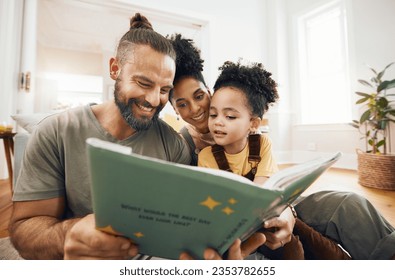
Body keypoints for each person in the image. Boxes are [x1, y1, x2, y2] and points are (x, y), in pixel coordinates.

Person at [9, 13, 265, 260]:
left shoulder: (174, 145)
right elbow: (24, 229)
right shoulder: (55, 132)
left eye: (164, 90)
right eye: (144, 83)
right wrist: (68, 234)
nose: (154, 100)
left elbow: (194, 220)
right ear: (114, 69)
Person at [168, 34, 395, 259]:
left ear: (209, 91)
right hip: (241, 223)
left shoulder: (251, 131)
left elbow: (270, 183)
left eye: (199, 96)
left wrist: (287, 210)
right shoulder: (184, 146)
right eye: (182, 104)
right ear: (175, 110)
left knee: (350, 203)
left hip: (277, 203)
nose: (196, 108)